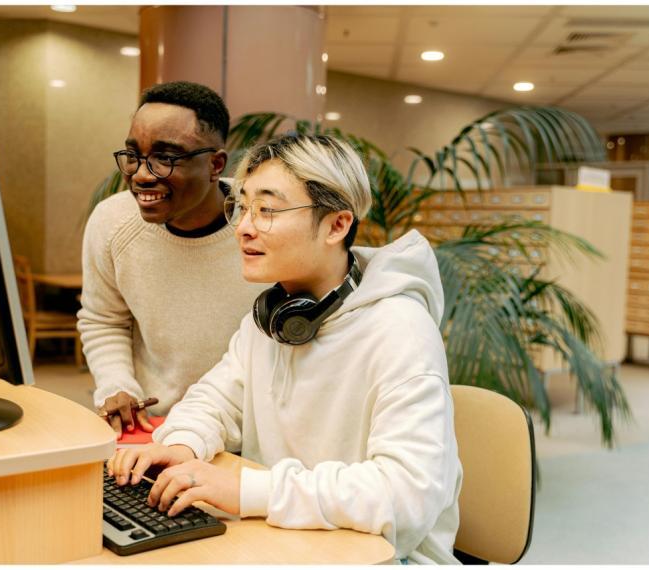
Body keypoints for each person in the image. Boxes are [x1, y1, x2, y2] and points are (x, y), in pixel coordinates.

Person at [107, 134, 463, 564]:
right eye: (242, 206)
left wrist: (247, 491)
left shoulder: (401, 332)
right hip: (285, 541)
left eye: (268, 210)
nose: (243, 227)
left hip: (384, 558)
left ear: (337, 225)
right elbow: (215, 399)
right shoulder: (272, 318)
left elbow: (406, 496)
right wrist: (183, 444)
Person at [78, 81, 267, 435]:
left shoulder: (265, 224)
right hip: (154, 426)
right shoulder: (112, 222)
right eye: (133, 155)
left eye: (166, 158)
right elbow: (104, 320)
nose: (142, 175)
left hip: (249, 432)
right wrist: (116, 384)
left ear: (215, 164)